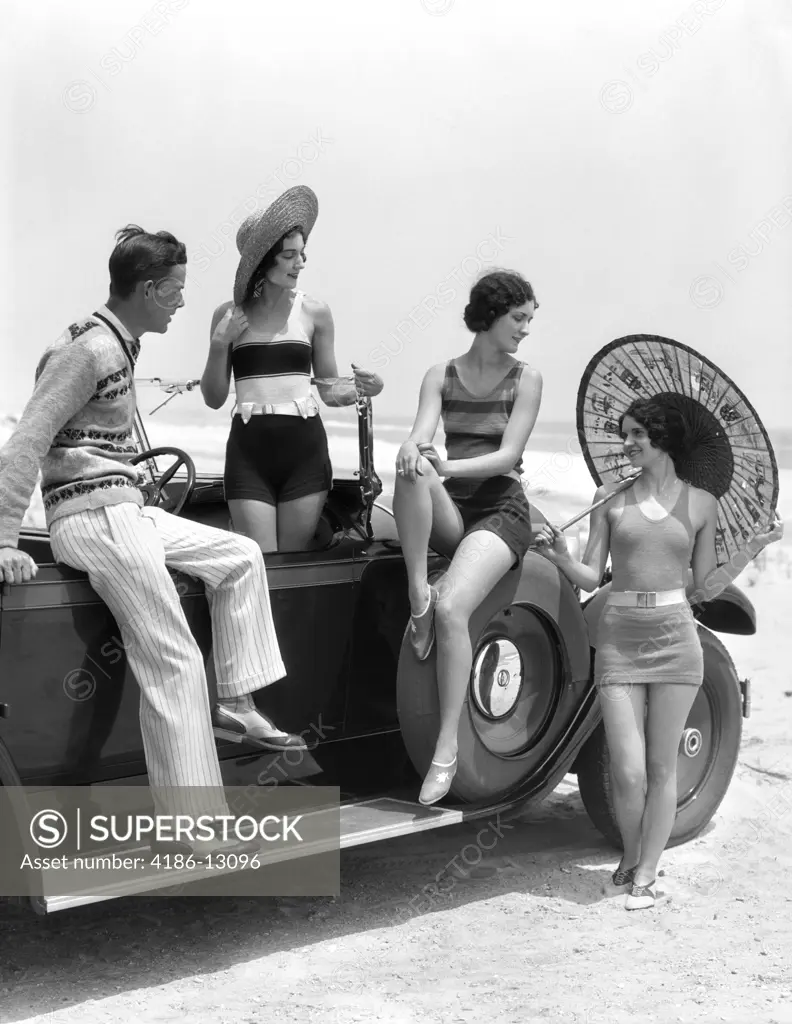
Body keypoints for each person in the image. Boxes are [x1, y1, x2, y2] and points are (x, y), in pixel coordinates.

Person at [0, 225, 308, 854]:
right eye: (175, 291)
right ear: (146, 289)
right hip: (93, 519)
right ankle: (194, 828)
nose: (182, 303)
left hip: (125, 507)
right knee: (173, 657)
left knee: (241, 556)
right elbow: (28, 439)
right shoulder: (87, 351)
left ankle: (237, 702)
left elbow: (92, 441)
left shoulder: (122, 343)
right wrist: (6, 535)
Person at [533, 397, 783, 910]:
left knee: (662, 765)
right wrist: (558, 555)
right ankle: (630, 856)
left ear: (663, 440)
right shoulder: (608, 499)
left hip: (675, 639)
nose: (626, 444)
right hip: (620, 638)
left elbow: (705, 586)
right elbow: (589, 575)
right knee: (626, 769)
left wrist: (753, 547)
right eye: (624, 433)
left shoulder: (701, 503)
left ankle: (645, 871)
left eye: (636, 435)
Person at [393, 269, 543, 806]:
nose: (525, 329)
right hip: (454, 510)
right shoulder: (440, 374)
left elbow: (508, 457)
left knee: (454, 608)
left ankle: (446, 749)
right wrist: (418, 450)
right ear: (489, 316)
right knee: (407, 463)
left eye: (529, 319)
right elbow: (421, 431)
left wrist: (448, 466)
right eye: (517, 318)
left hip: (499, 510)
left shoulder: (527, 379)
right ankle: (417, 593)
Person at [200, 185, 384, 553]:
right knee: (260, 562)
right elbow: (214, 398)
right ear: (262, 262)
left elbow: (330, 391)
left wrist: (364, 388)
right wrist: (220, 344)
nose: (301, 263)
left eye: (301, 254)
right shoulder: (228, 316)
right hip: (248, 453)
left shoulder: (315, 312)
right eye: (289, 256)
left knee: (292, 563)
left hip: (305, 453)